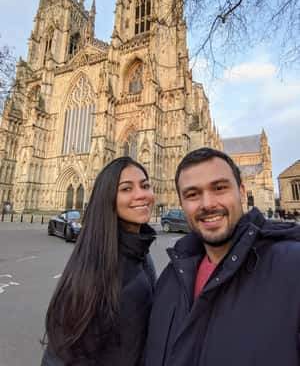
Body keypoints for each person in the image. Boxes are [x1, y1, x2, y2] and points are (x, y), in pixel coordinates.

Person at [145, 147, 300, 366]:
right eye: (192, 194)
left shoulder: (292, 268)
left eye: (219, 188)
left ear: (243, 192)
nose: (207, 204)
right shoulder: (169, 280)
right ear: (181, 203)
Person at [41, 157, 156, 366]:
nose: (141, 194)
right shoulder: (93, 271)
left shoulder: (140, 252)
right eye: (126, 188)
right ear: (108, 197)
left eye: (145, 185)